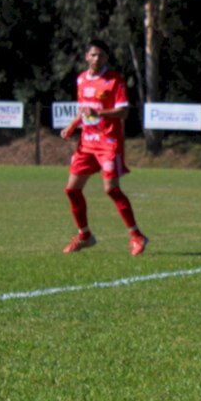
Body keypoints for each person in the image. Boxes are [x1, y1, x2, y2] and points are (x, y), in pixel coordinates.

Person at [59, 39, 149, 256]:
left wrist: (98, 113)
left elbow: (123, 112)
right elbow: (84, 110)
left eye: (101, 55)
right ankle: (85, 235)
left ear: (106, 58)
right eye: (93, 55)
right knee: (72, 189)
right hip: (87, 143)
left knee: (111, 189)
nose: (96, 58)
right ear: (86, 57)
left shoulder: (115, 80)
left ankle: (136, 235)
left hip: (108, 143)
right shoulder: (81, 80)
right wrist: (72, 126)